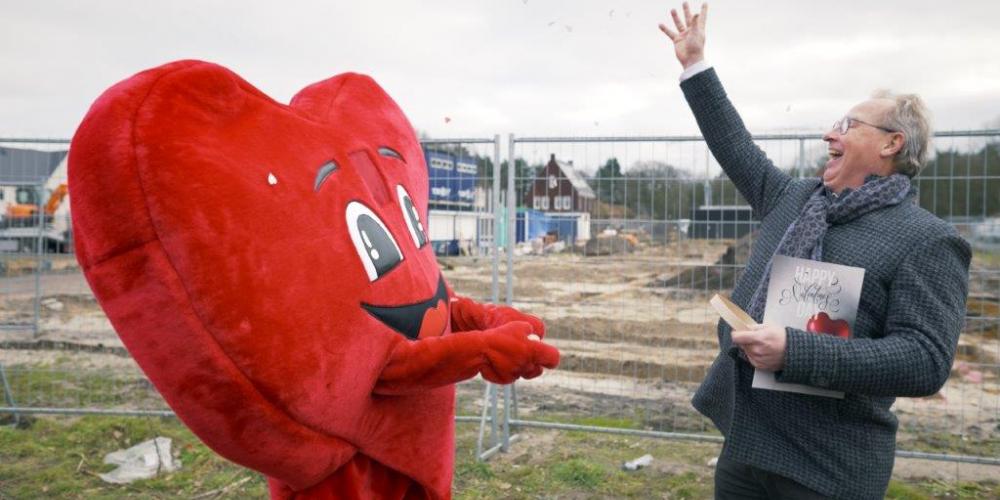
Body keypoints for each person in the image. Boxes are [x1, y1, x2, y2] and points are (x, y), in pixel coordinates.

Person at [658, 3, 971, 499]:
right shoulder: (796, 200)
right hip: (748, 448)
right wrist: (694, 64)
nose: (831, 133)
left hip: (830, 467)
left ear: (892, 144)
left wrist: (795, 350)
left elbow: (925, 360)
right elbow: (734, 145)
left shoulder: (926, 240)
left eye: (848, 125)